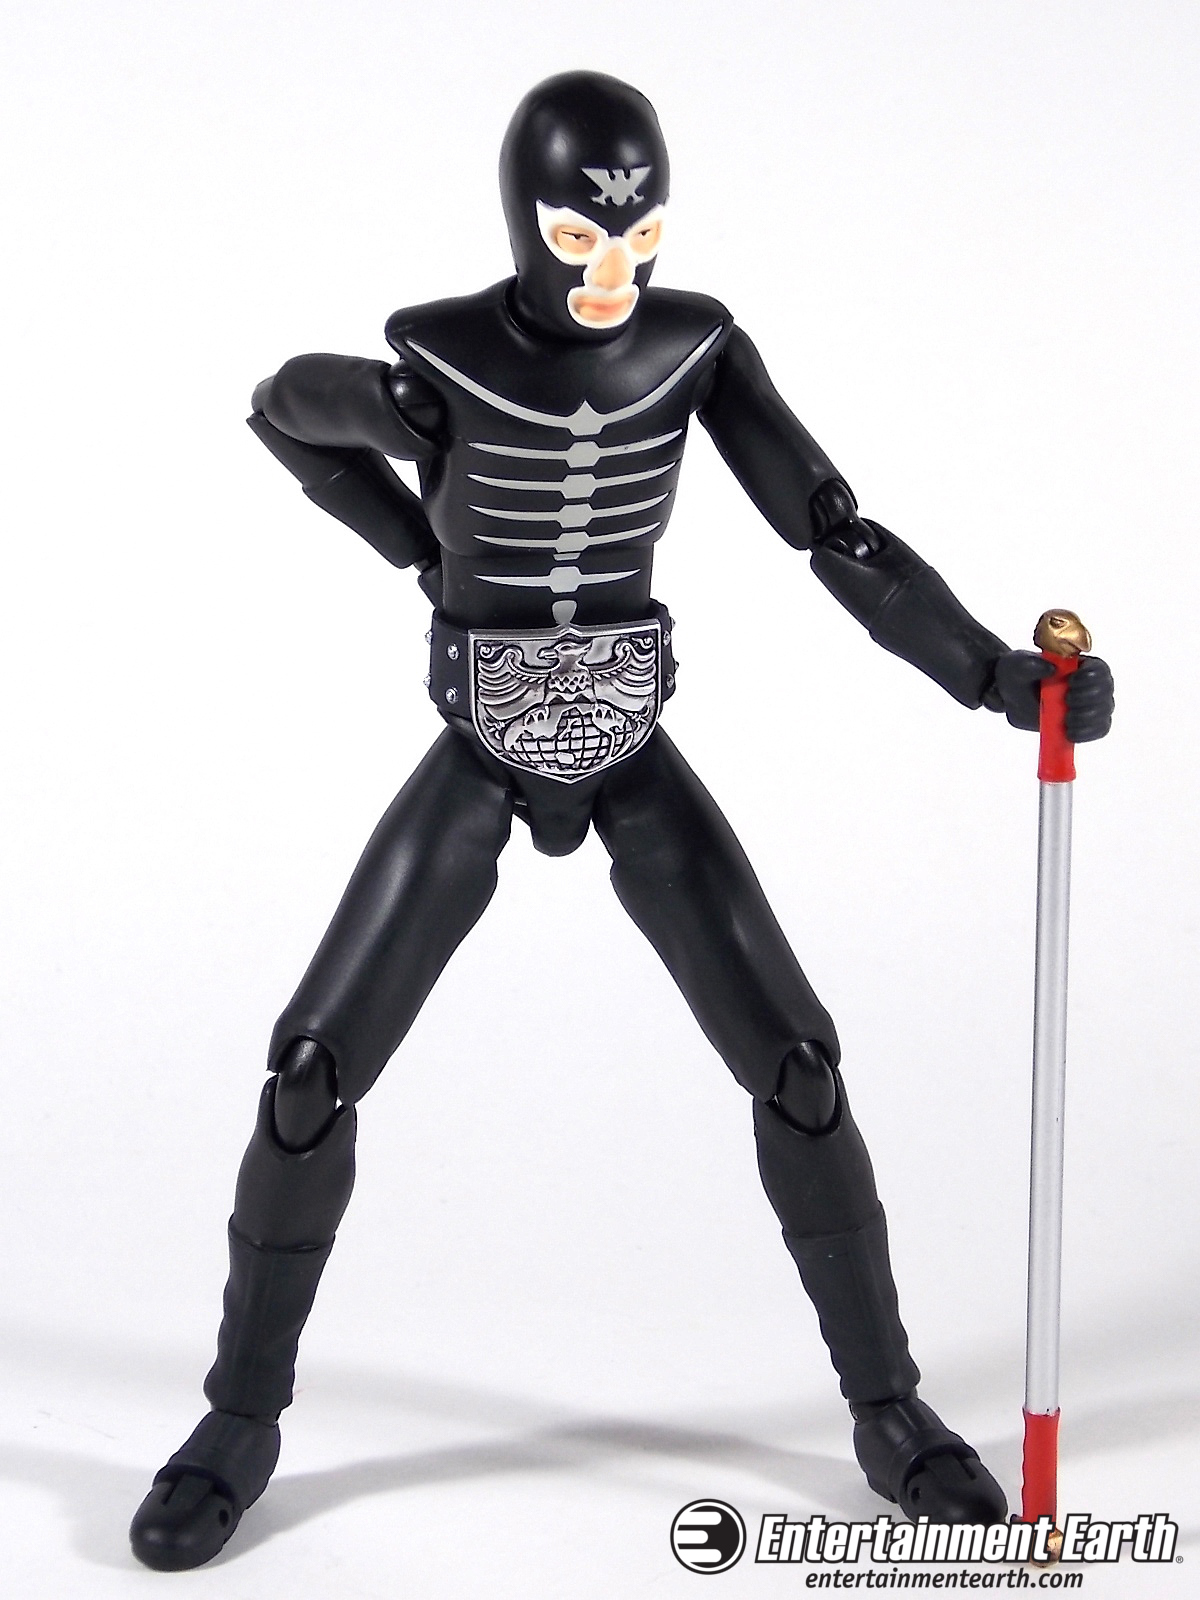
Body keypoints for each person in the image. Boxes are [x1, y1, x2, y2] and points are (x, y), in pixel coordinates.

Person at [130, 70, 1114, 1570]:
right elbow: (279, 409)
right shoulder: (439, 359)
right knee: (311, 1073)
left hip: (631, 741)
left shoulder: (694, 348)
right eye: (580, 236)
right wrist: (414, 534)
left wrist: (992, 675)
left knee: (798, 1066)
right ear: (521, 221)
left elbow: (832, 529)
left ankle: (890, 1410)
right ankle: (235, 1423)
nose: (613, 272)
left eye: (640, 235)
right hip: (482, 744)